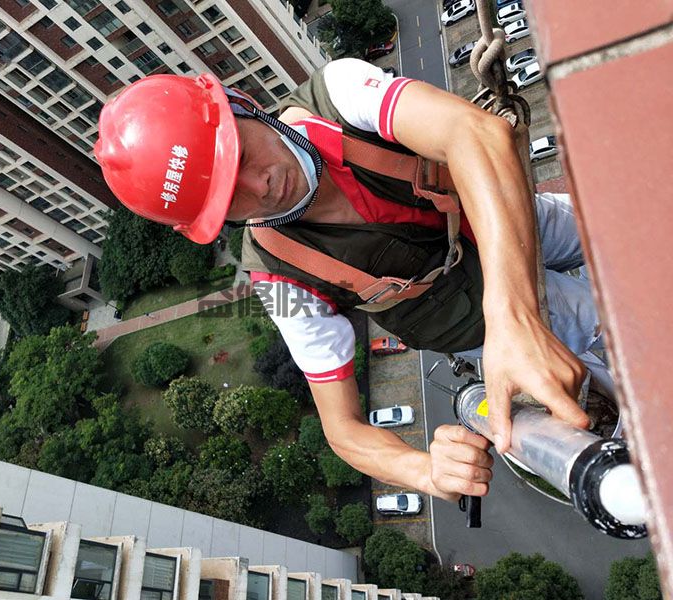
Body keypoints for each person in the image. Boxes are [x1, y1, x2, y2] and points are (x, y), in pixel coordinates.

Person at [95, 59, 598, 503]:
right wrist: (425, 470)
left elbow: (475, 133)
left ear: (242, 106)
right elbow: (343, 431)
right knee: (619, 329)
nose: (261, 187)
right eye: (231, 200)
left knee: (620, 226)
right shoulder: (279, 282)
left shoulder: (336, 95)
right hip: (465, 322)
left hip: (504, 217)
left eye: (241, 156)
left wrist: (514, 317)